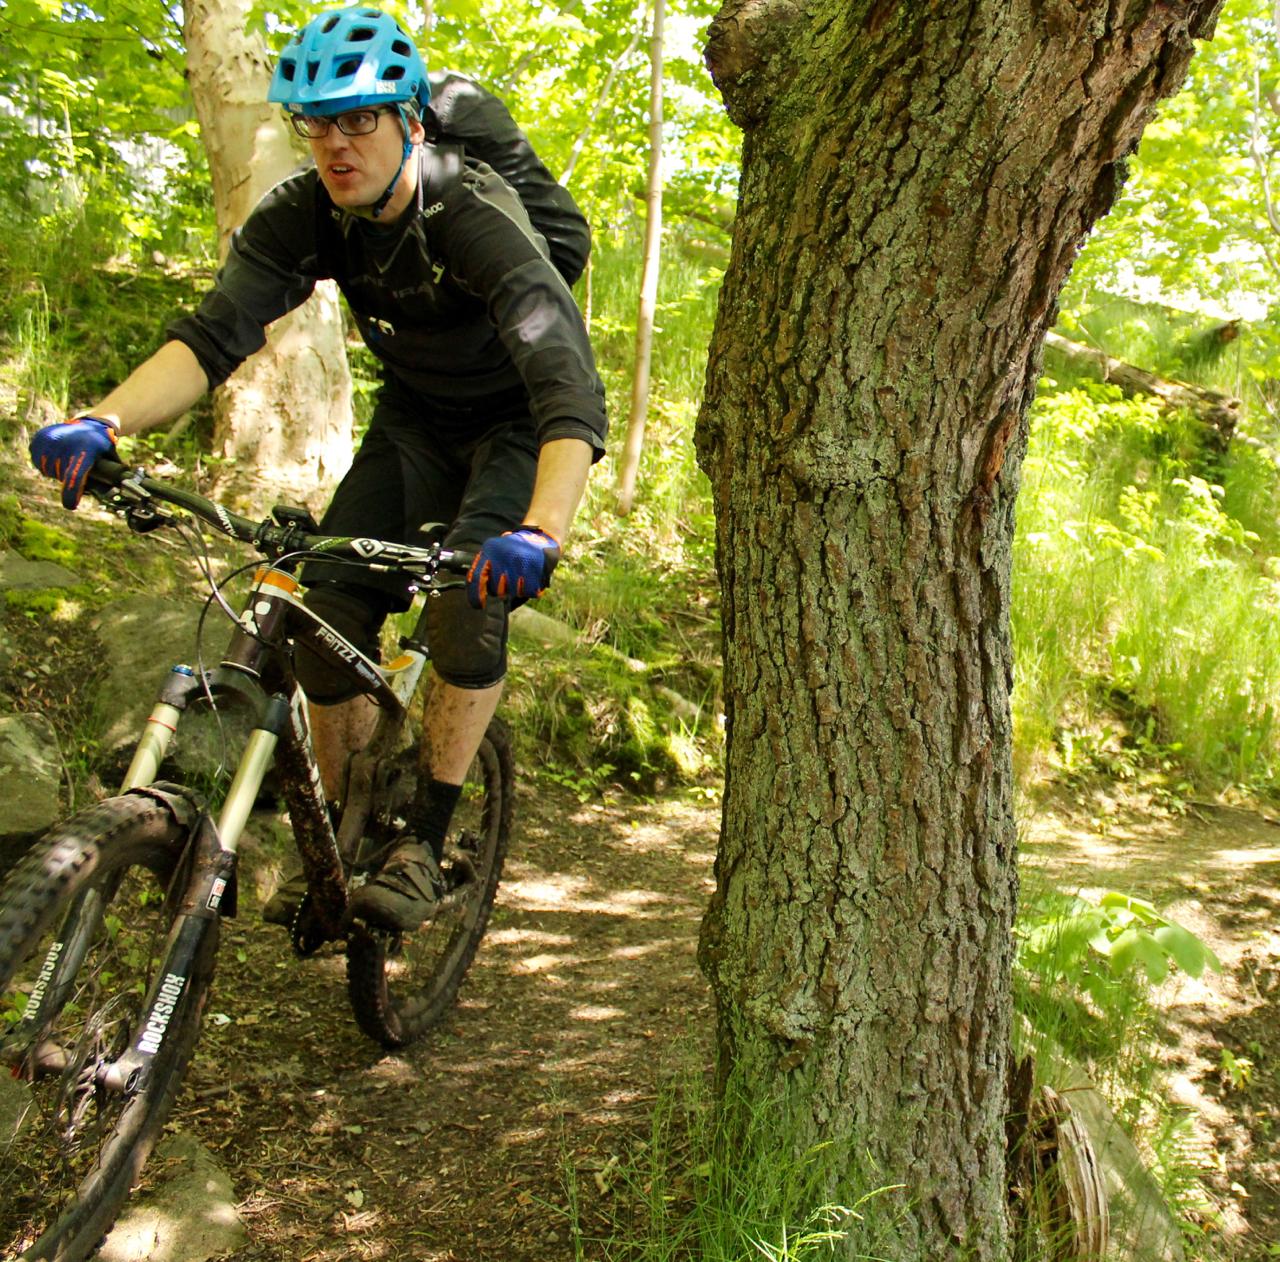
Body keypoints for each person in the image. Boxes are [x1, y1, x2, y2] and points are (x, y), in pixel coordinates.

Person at [27, 5, 607, 932]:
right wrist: (101, 423)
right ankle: (348, 828)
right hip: (414, 427)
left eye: (359, 120)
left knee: (467, 600)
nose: (337, 145)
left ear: (410, 121)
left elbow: (566, 388)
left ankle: (424, 837)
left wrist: (540, 528)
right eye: (318, 124)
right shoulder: (308, 215)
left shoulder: (472, 210)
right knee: (316, 607)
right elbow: (213, 335)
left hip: (516, 426)